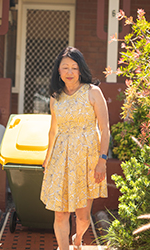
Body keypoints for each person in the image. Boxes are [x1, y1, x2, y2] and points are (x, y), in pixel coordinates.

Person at [40, 46, 109, 250]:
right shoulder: (55, 97)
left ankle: (77, 239)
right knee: (60, 212)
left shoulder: (93, 92)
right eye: (65, 68)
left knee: (83, 215)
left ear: (81, 70)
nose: (69, 72)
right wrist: (47, 157)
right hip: (60, 158)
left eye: (74, 67)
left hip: (87, 159)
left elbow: (105, 129)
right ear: (58, 72)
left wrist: (102, 161)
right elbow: (53, 131)